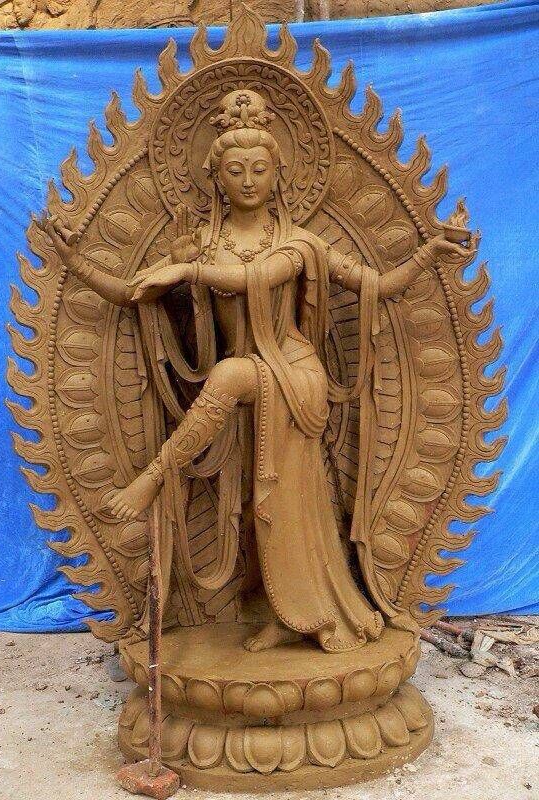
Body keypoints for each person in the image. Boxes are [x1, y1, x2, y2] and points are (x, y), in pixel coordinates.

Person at [41, 89, 475, 653]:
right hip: (245, 376)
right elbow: (132, 292)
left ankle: (154, 477)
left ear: (278, 174)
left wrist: (429, 253)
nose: (248, 181)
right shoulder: (201, 243)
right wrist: (75, 262)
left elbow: (374, 284)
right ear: (217, 177)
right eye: (236, 170)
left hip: (294, 376)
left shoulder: (299, 245)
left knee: (244, 411)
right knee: (259, 506)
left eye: (259, 169)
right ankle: (285, 613)